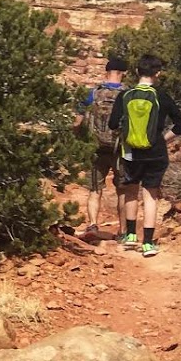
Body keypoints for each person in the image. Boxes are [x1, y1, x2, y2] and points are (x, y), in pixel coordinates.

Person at [109, 54, 181, 257]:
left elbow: (112, 124)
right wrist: (163, 139)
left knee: (131, 191)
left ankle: (131, 236)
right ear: (158, 73)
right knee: (151, 195)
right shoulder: (162, 96)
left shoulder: (125, 96)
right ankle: (148, 243)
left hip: (131, 153)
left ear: (137, 72)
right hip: (156, 153)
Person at [74, 56, 128, 238]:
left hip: (95, 148)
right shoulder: (128, 94)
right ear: (124, 74)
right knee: (122, 190)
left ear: (107, 72)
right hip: (119, 149)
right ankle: (123, 231)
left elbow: (77, 120)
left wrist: (79, 139)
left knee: (94, 190)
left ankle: (92, 226)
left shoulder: (93, 93)